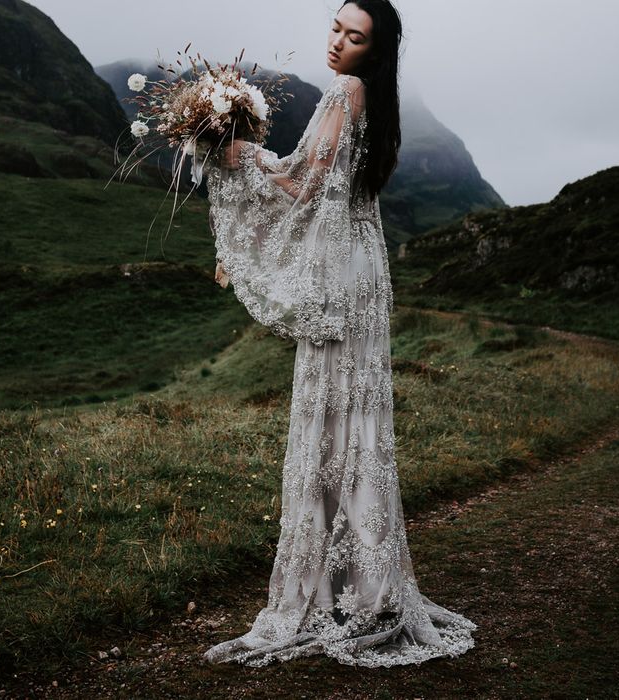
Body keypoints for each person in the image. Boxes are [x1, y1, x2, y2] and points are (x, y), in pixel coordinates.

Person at [202, 0, 478, 667]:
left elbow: (301, 181)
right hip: (363, 269)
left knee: (333, 424)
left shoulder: (344, 93)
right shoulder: (376, 102)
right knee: (354, 425)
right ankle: (363, 582)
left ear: (372, 51)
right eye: (337, 28)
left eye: (355, 38)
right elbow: (330, 189)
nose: (339, 44)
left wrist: (234, 153)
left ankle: (340, 591)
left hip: (339, 281)